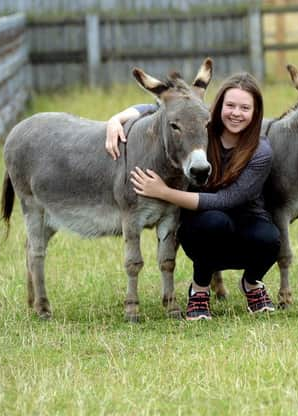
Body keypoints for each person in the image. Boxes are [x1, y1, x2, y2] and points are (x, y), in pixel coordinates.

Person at [105, 72, 280, 320]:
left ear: (255, 112)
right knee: (214, 222)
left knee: (270, 239)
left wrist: (164, 192)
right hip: (205, 226)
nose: (236, 113)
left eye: (245, 107)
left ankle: (252, 283)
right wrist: (117, 118)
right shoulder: (199, 129)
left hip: (243, 223)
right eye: (230, 105)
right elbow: (166, 109)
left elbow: (227, 200)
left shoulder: (260, 151)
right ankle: (199, 288)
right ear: (216, 106)